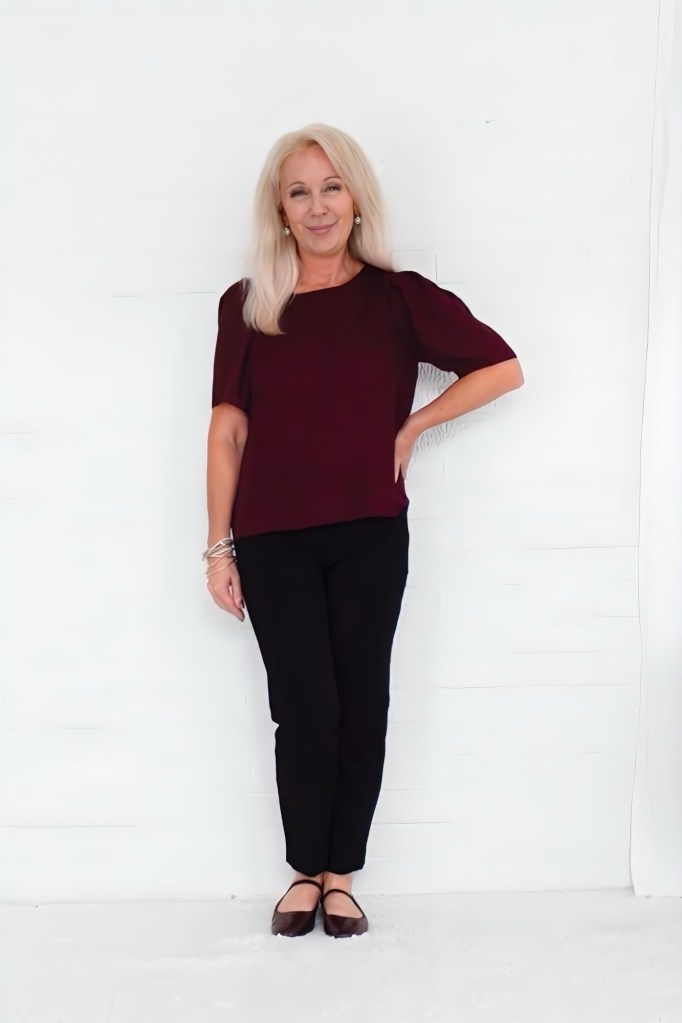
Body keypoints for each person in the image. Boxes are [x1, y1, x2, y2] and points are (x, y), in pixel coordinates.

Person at [204, 123, 524, 939]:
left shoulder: (396, 297)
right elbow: (227, 431)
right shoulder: (248, 305)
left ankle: (341, 874)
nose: (317, 207)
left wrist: (412, 429)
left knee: (360, 702)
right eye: (299, 191)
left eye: (331, 187)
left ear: (356, 199)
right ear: (280, 210)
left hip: (370, 531)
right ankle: (302, 870)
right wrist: (217, 544)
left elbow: (501, 366)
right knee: (302, 706)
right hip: (272, 535)